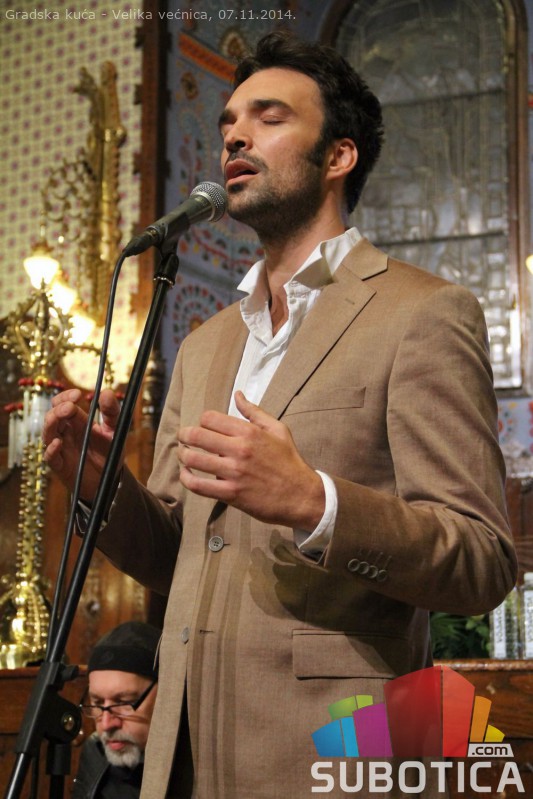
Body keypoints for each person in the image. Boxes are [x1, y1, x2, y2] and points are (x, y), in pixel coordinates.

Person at [44, 31, 517, 798]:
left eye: (269, 117)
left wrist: (314, 502)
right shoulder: (204, 345)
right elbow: (175, 555)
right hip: (183, 757)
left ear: (338, 156)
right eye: (228, 121)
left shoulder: (422, 313)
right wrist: (101, 484)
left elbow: (481, 559)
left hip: (332, 754)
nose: (234, 135)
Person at [72, 621, 160, 799]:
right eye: (97, 703)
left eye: (124, 703)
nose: (106, 724)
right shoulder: (95, 753)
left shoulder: (199, 764)